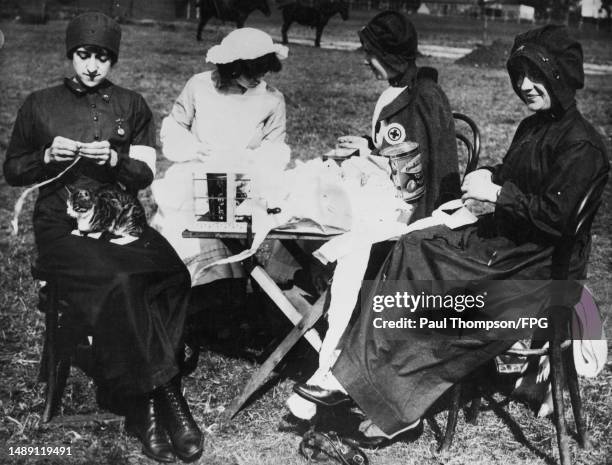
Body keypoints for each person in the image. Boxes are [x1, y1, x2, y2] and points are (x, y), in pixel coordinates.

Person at [294, 25, 609, 445]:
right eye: (519, 75)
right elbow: (519, 178)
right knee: (410, 245)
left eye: (537, 76)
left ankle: (384, 396)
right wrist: (490, 174)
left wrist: (498, 193)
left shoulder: (582, 145)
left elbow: (556, 217)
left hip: (540, 272)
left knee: (430, 283)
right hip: (510, 248)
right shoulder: (534, 127)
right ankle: (357, 376)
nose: (525, 86)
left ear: (562, 77)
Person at [3, 13, 203, 463]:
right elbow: (13, 170)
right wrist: (44, 155)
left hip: (118, 218)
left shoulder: (131, 105)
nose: (92, 66)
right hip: (63, 224)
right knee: (120, 280)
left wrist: (116, 160)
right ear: (70, 54)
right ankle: (159, 403)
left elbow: (146, 172)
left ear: (113, 59)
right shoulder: (40, 104)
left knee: (170, 273)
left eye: (102, 57)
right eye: (84, 55)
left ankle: (153, 394)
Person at [151, 28, 291, 329]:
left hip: (244, 179)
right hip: (196, 172)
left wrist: (253, 161)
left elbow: (275, 150)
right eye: (251, 71)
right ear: (232, 67)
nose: (258, 78)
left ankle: (228, 297)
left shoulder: (271, 99)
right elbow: (175, 128)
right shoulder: (199, 86)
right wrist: (193, 148)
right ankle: (184, 296)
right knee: (183, 223)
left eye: (263, 71)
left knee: (234, 218)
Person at [336, 11, 461, 222]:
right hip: (396, 198)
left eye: (370, 53)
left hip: (417, 214)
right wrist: (369, 145)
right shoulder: (403, 89)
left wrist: (370, 155)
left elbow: (411, 177)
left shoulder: (422, 97)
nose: (366, 61)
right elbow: (401, 146)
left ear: (389, 55)